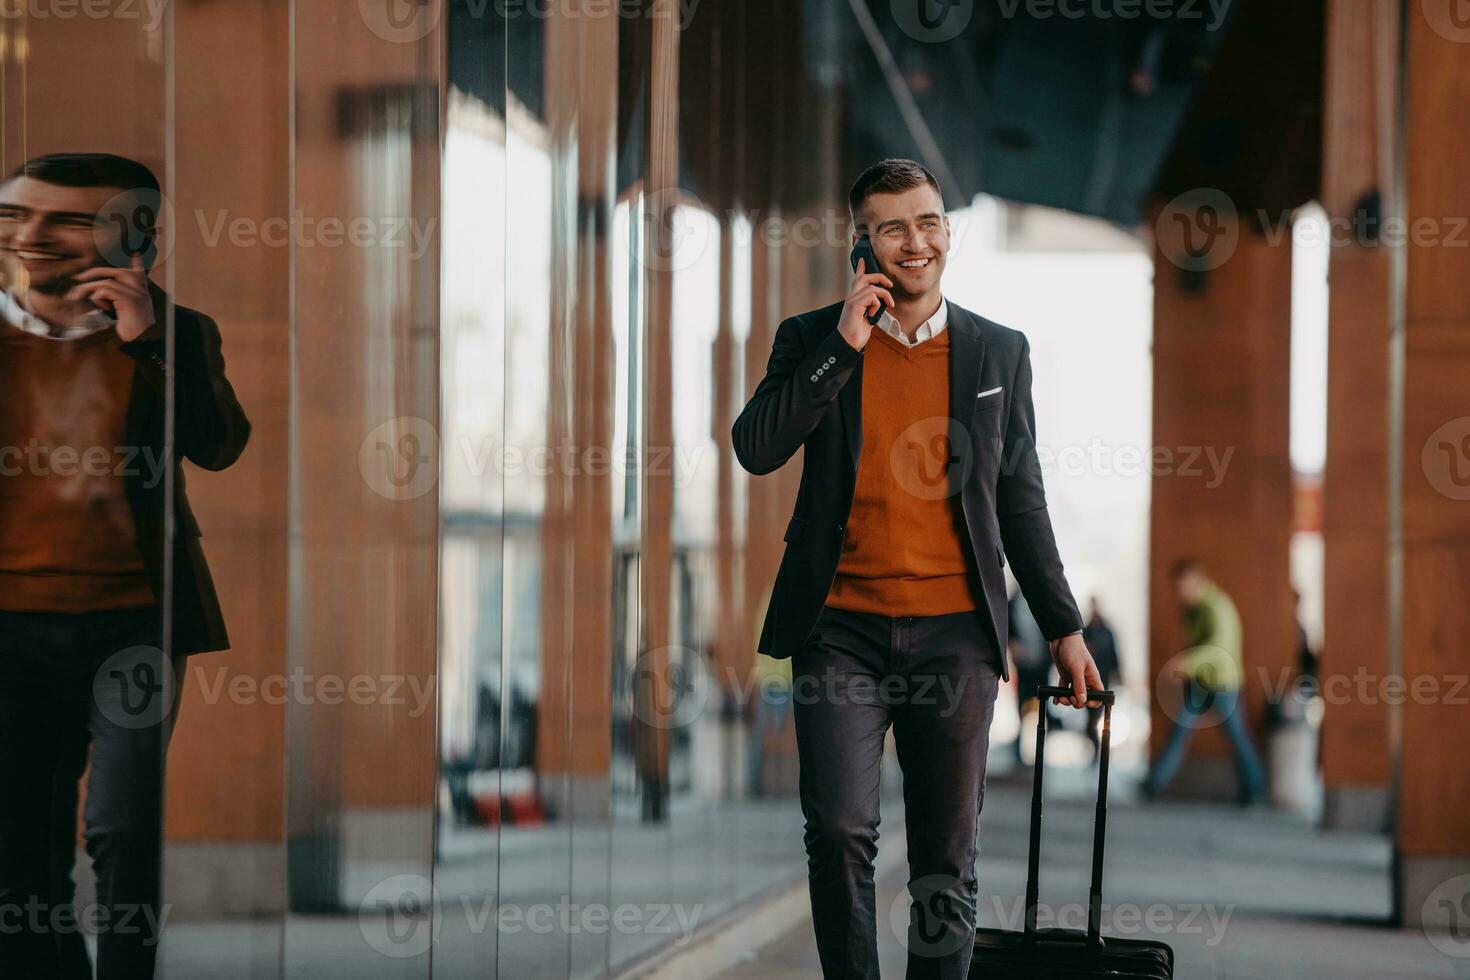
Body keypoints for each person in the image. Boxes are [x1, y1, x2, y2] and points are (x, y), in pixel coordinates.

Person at [732, 158, 1100, 980]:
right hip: (839, 632)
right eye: (892, 226)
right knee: (838, 828)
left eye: (928, 221)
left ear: (946, 231)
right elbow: (757, 448)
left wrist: (1065, 627)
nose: (915, 240)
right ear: (863, 241)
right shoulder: (812, 338)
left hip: (956, 638)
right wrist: (842, 347)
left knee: (944, 855)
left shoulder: (998, 353)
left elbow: (1020, 500)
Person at [0, 153, 250, 979]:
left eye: (65, 219)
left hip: (135, 621)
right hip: (10, 624)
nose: (31, 236)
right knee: (22, 836)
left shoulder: (177, 331)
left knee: (123, 826)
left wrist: (148, 346)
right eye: (14, 215)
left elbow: (220, 447)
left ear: (131, 236)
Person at [1142, 558, 1266, 806]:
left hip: (1223, 684)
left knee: (1237, 737)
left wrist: (1184, 664)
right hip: (1198, 683)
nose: (1179, 593)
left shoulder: (1216, 607)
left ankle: (1254, 791)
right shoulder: (1190, 609)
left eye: (1183, 586)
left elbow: (1216, 649)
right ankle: (1152, 786)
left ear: (1197, 581)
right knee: (1178, 733)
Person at [1081, 596, 1124, 760]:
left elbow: (1114, 654)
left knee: (1099, 715)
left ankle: (1099, 751)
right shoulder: (1087, 630)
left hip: (1103, 678)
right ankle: (1095, 748)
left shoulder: (1106, 631)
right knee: (1090, 717)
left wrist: (1118, 675)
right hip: (1088, 680)